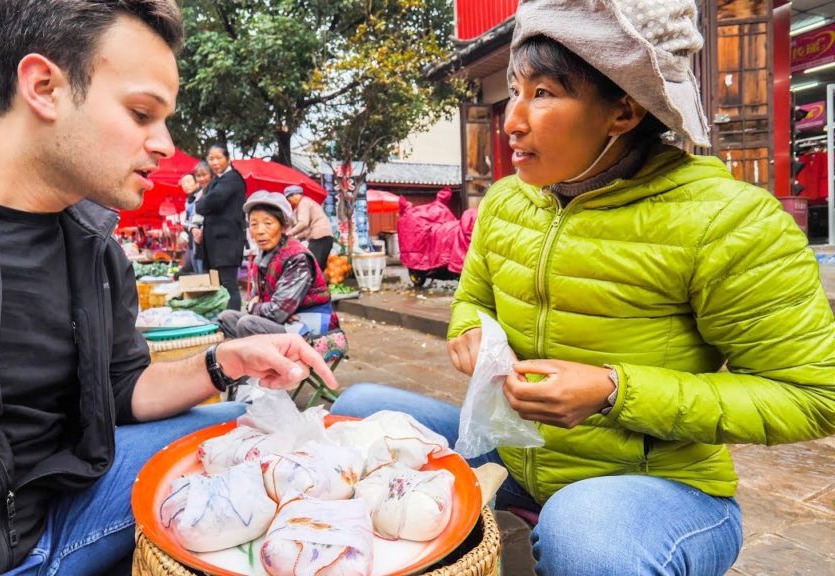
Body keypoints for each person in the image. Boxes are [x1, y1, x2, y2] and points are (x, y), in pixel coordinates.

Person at [0, 1, 337, 575]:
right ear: (44, 86)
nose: (164, 145)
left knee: (340, 422)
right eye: (142, 113)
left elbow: (120, 388)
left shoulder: (94, 245)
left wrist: (221, 362)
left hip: (62, 517)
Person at [331, 1, 835, 575]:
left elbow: (814, 396)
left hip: (659, 489)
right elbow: (471, 300)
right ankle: (522, 532)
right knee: (357, 411)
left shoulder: (728, 220)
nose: (513, 120)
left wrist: (614, 390)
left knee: (587, 532)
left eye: (543, 92)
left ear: (623, 109)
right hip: (518, 457)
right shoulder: (506, 202)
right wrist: (469, 330)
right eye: (515, 89)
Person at [218, 191, 337, 339]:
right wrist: (262, 307)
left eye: (268, 223)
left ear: (283, 227)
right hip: (284, 322)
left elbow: (277, 312)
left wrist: (254, 307)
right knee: (226, 318)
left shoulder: (297, 258)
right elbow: (260, 301)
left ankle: (258, 361)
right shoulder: (261, 257)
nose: (260, 231)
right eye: (254, 224)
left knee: (248, 324)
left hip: (307, 324)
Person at [196, 144, 246, 310]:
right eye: (211, 158)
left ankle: (232, 320)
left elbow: (212, 201)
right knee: (217, 284)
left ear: (228, 159)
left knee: (228, 284)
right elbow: (203, 202)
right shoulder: (216, 180)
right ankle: (222, 319)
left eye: (219, 158)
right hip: (215, 244)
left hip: (227, 243)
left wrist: (201, 204)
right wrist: (202, 204)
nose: (215, 162)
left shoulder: (232, 178)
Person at [284, 184, 333, 267]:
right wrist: (295, 238)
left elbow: (303, 223)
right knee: (317, 267)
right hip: (323, 238)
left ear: (295, 195)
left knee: (312, 266)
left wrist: (289, 233)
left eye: (289, 199)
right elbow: (307, 230)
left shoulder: (304, 203)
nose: (290, 202)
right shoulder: (303, 204)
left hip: (320, 238)